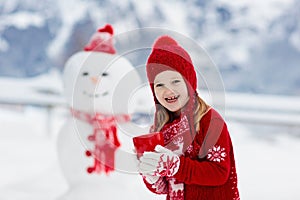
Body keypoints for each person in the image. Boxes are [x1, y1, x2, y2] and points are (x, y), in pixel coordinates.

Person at [137, 35, 240, 200]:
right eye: (160, 84)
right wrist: (152, 173)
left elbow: (219, 173)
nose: (168, 90)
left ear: (189, 82)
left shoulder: (210, 121)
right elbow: (165, 187)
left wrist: (176, 166)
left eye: (175, 81)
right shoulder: (160, 128)